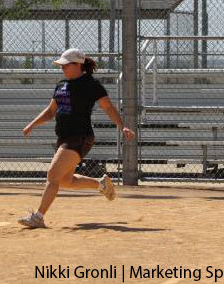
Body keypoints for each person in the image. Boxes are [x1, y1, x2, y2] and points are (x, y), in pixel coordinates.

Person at [18, 48, 136, 228]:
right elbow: (51, 112)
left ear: (78, 65)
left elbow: (108, 108)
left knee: (53, 175)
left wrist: (123, 126)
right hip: (64, 137)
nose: (62, 68)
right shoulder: (61, 85)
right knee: (65, 180)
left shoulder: (91, 85)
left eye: (66, 65)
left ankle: (38, 216)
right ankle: (101, 184)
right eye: (62, 65)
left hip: (80, 136)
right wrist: (32, 124)